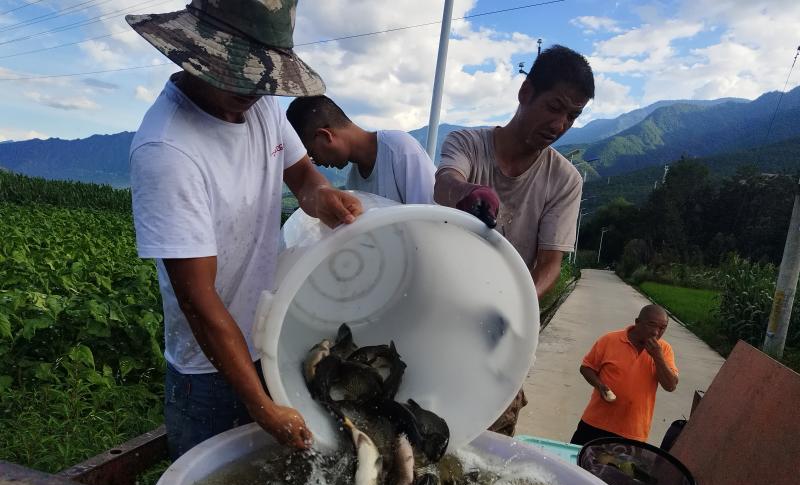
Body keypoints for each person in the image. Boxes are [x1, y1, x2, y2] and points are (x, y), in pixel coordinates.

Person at [126, 1, 363, 460]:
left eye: (262, 77)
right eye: (241, 75)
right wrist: (261, 404)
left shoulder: (261, 106)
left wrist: (324, 199)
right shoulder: (168, 149)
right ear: (197, 49)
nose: (254, 91)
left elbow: (303, 178)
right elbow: (199, 299)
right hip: (208, 374)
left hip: (268, 339)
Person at [433, 44, 595, 436]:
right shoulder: (467, 143)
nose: (560, 124)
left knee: (490, 435)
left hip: (502, 327)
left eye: (572, 116)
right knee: (428, 412)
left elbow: (550, 265)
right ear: (525, 93)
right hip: (442, 306)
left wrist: (513, 306)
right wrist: (466, 192)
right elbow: (444, 184)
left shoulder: (565, 179)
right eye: (554, 107)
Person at [286, 95, 436, 204]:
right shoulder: (354, 180)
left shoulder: (399, 149)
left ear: (325, 136)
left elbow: (430, 218)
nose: (317, 162)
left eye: (312, 153)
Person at [570, 305, 680, 446]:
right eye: (651, 325)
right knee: (577, 462)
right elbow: (586, 368)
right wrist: (600, 386)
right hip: (595, 423)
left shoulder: (664, 350)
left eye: (662, 328)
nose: (656, 332)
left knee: (619, 468)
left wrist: (657, 357)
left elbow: (670, 386)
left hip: (633, 432)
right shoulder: (609, 340)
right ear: (637, 322)